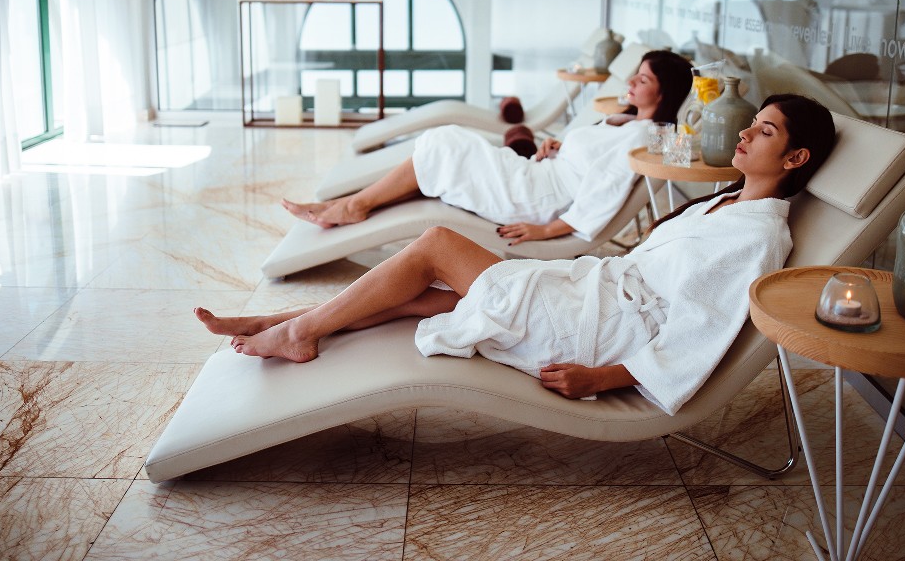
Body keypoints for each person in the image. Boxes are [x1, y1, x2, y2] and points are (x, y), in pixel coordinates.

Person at [196, 94, 836, 416]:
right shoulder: (724, 204)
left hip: (598, 332)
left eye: (765, 131)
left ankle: (299, 330)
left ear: (795, 159)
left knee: (436, 247)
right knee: (426, 298)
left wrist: (605, 379)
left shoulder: (758, 237)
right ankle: (283, 328)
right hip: (596, 293)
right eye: (752, 123)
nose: (746, 133)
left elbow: (702, 329)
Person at [281, 50, 695, 245]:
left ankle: (355, 206)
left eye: (643, 79)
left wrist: (548, 229)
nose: (632, 82)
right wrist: (558, 147)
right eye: (636, 74)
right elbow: (590, 161)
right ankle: (357, 203)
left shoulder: (646, 137)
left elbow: (604, 190)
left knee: (445, 143)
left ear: (665, 92)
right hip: (540, 175)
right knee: (447, 144)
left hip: (537, 200)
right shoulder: (624, 121)